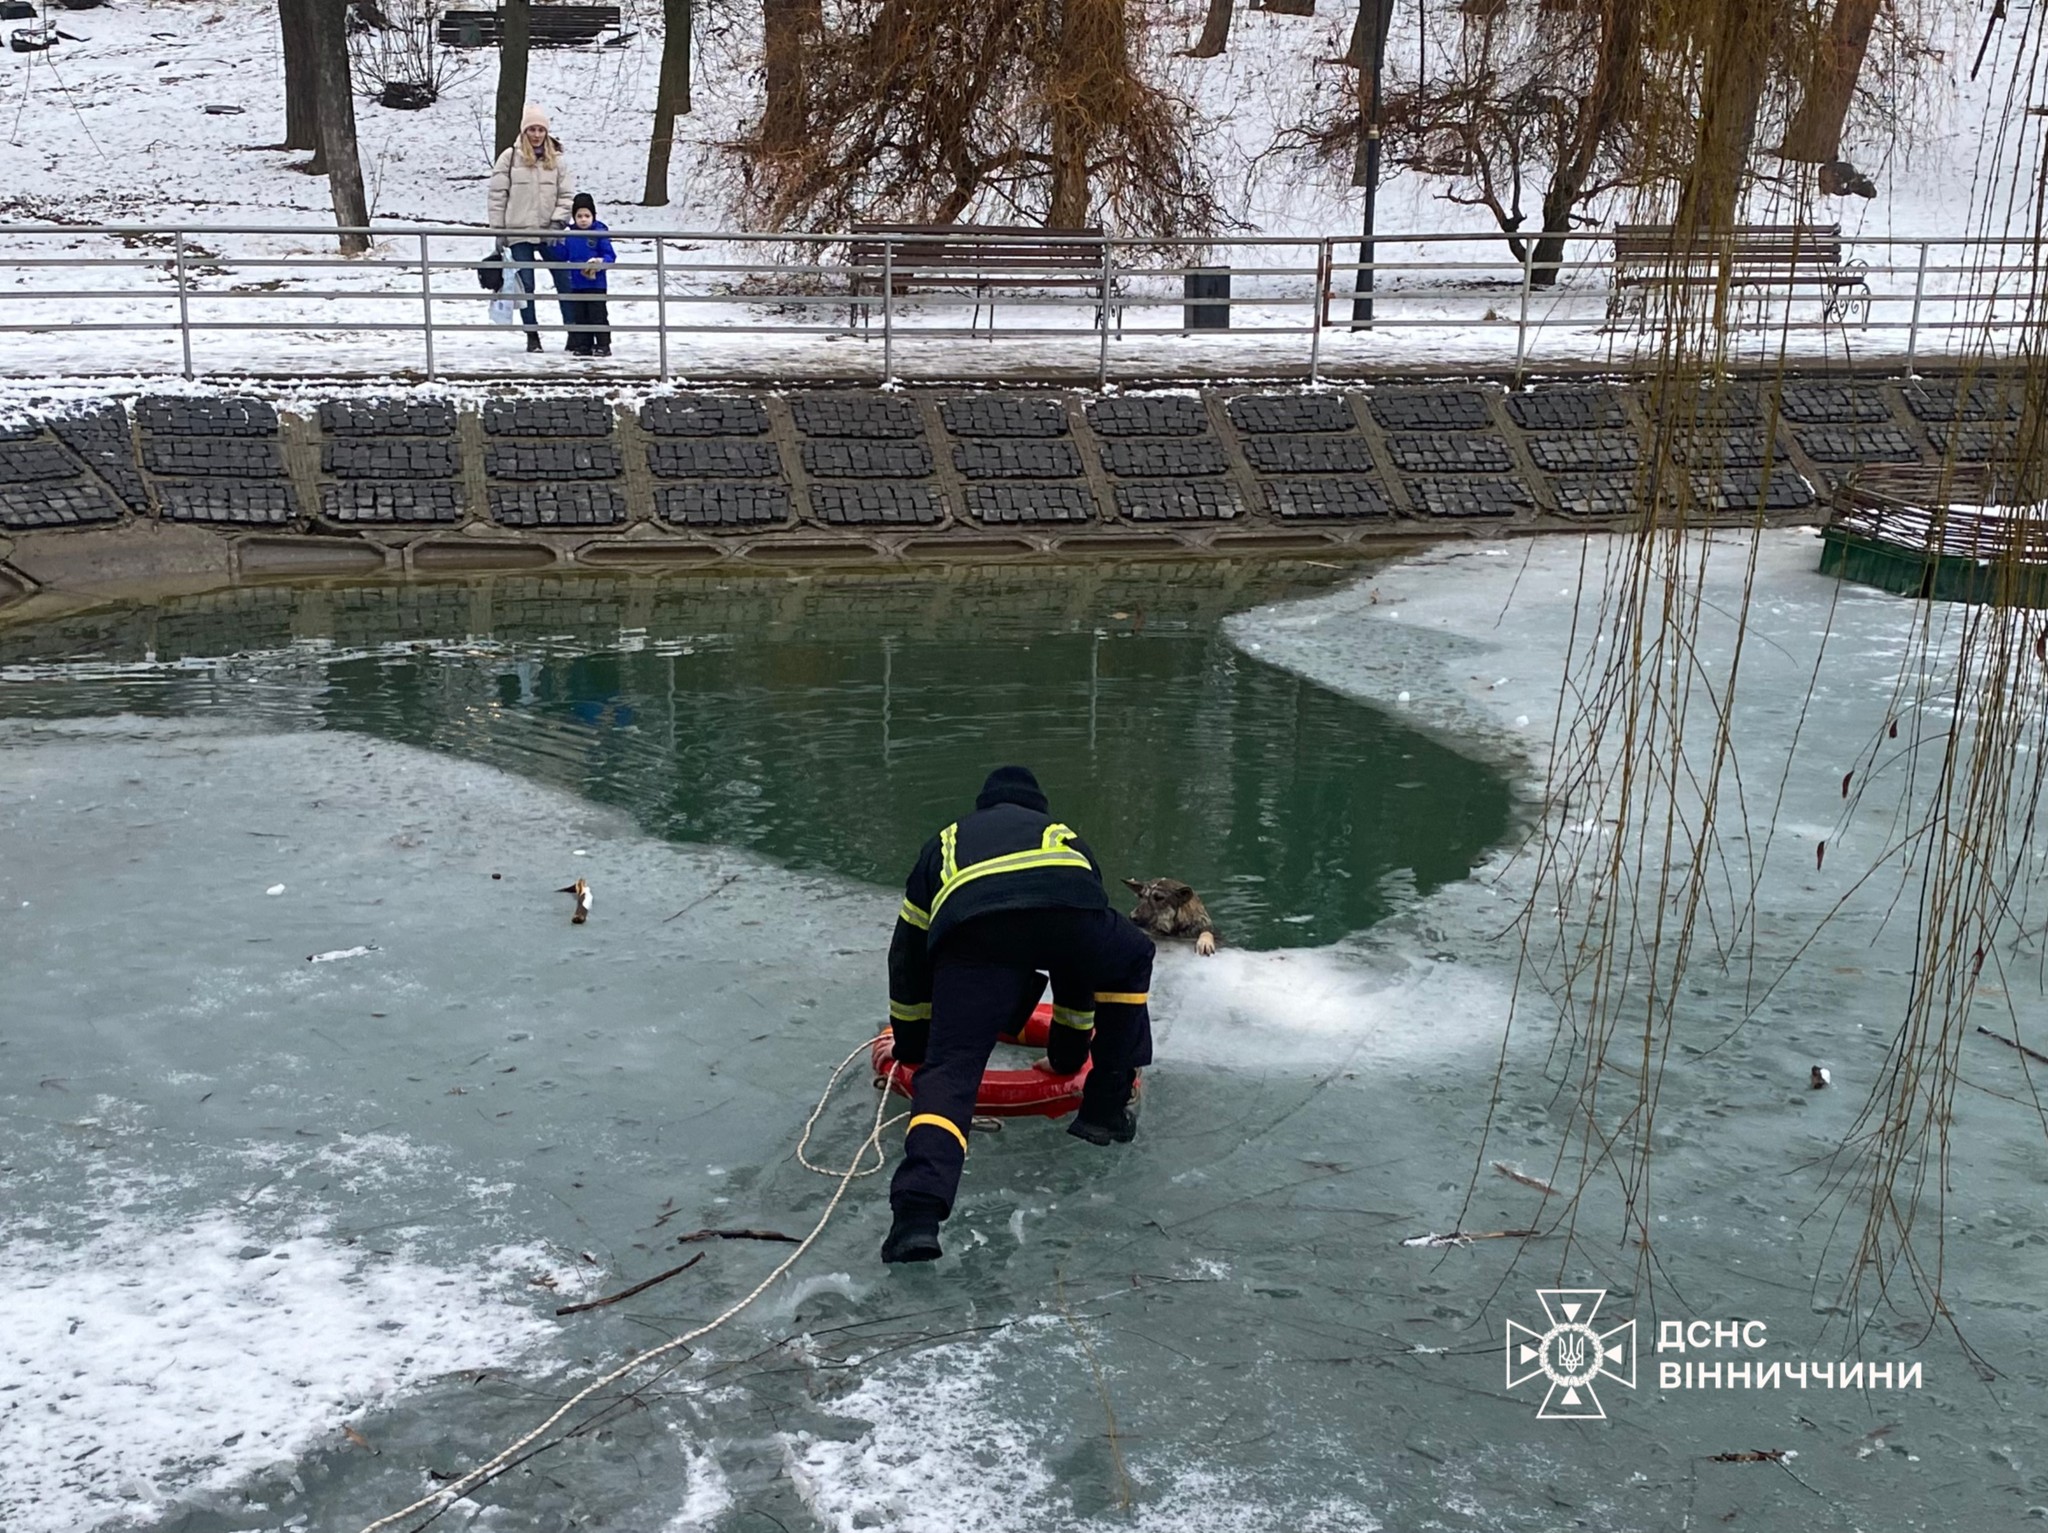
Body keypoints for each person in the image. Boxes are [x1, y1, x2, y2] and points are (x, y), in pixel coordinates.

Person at [881, 765, 1154, 1264]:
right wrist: (1070, 1055)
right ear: (1039, 806)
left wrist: (916, 1046)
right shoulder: (1062, 835)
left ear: (984, 805)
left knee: (953, 1070)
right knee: (1130, 955)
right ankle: (1104, 1111)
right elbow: (1079, 961)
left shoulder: (947, 838)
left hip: (976, 935)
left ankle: (916, 1219)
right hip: (1066, 916)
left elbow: (908, 955)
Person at [487, 103, 575, 353]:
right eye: (532, 129)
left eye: (540, 129)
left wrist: (559, 221)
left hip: (551, 231)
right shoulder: (509, 157)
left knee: (564, 281)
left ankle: (573, 331)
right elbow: (497, 196)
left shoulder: (558, 161)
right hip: (518, 232)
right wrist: (499, 231)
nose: (536, 134)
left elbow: (566, 194)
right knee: (526, 285)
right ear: (524, 131)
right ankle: (532, 335)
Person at [551, 192, 616, 357]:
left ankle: (603, 344)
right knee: (580, 315)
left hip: (596, 284)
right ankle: (583, 345)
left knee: (598, 315)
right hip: (576, 283)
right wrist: (554, 243)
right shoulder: (571, 235)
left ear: (593, 216)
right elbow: (562, 255)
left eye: (587, 215)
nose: (583, 219)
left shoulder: (599, 233)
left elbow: (610, 255)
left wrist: (600, 262)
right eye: (579, 216)